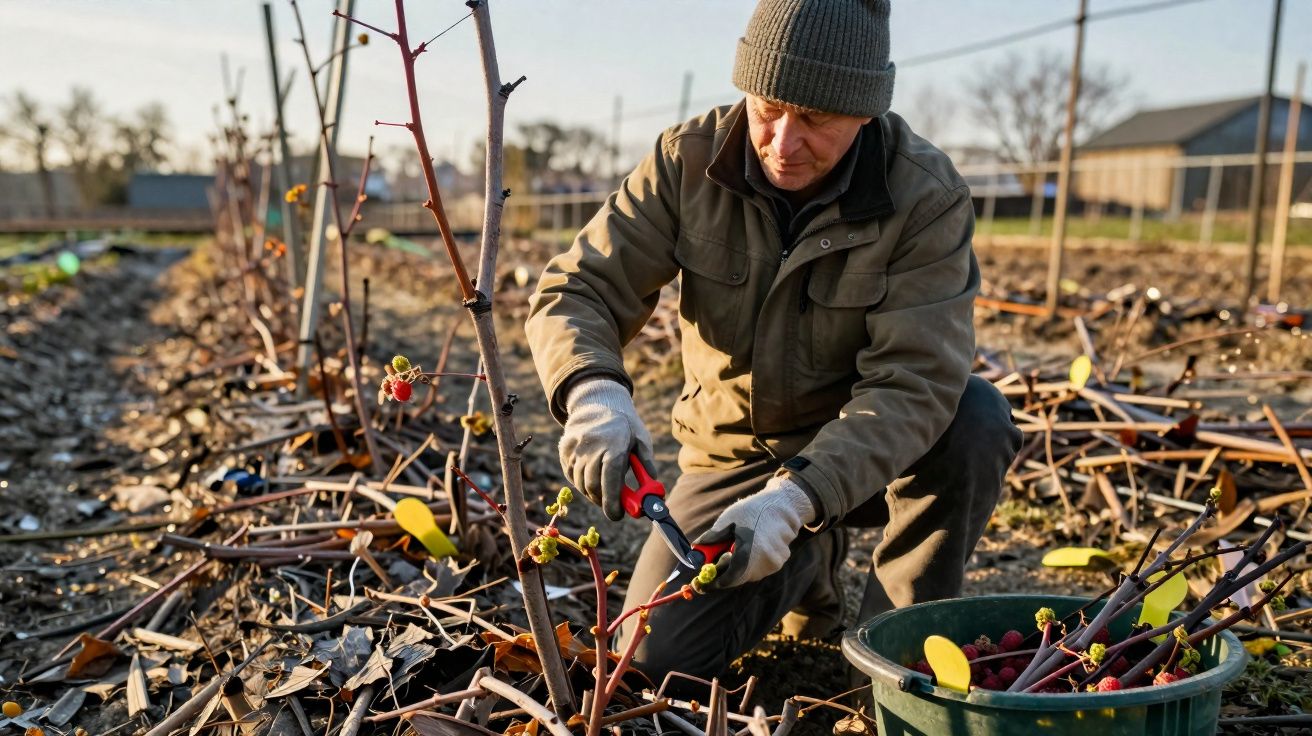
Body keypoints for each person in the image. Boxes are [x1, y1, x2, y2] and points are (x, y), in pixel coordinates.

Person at [525, 0, 1023, 686]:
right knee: (655, 661)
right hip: (737, 455)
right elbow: (577, 289)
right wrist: (592, 393)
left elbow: (914, 384)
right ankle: (810, 564)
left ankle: (893, 650)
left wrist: (796, 501)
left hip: (868, 455)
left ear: (865, 112)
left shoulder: (925, 198)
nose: (784, 142)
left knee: (975, 418)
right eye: (768, 109)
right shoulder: (685, 161)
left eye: (816, 120)